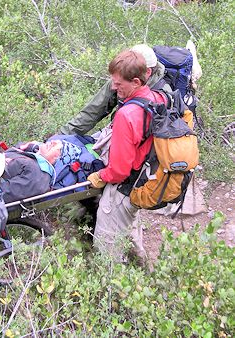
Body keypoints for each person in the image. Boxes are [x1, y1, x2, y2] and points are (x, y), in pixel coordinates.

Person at [86, 49, 167, 266]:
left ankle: (113, 291)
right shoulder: (156, 99)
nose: (114, 87)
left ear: (136, 81)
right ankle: (143, 272)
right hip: (143, 180)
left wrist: (100, 175)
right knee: (129, 229)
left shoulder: (126, 115)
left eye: (119, 84)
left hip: (122, 190)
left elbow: (119, 171)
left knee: (107, 247)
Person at [59, 44, 170, 136]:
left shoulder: (163, 95)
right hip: (116, 131)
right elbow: (92, 112)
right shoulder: (122, 78)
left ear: (147, 72)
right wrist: (60, 137)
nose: (114, 87)